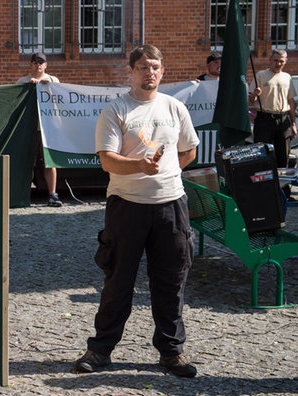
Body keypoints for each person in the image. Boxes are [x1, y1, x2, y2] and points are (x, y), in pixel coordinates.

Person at [73, 45, 200, 378]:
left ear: (163, 70)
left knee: (171, 282)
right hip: (127, 207)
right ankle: (100, 350)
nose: (150, 73)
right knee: (118, 281)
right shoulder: (117, 110)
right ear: (131, 71)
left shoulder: (175, 108)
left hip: (171, 207)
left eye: (155, 66)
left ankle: (171, 352)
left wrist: (167, 175)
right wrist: (139, 167)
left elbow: (189, 151)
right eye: (143, 67)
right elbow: (107, 160)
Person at [249, 48, 297, 198]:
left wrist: (293, 124)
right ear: (270, 60)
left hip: (283, 119)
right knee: (262, 155)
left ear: (285, 61)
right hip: (264, 119)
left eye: (281, 61)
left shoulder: (287, 77)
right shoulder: (261, 75)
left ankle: (284, 190)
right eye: (276, 60)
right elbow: (251, 100)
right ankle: (262, 190)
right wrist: (255, 95)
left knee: (283, 156)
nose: (278, 63)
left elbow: (291, 101)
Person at [16, 52, 62, 207]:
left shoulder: (53, 80)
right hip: (29, 127)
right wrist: (29, 86)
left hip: (48, 128)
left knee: (50, 161)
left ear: (46, 65)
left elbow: (58, 100)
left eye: (41, 62)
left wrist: (45, 85)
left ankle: (53, 194)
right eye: (35, 62)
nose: (38, 65)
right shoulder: (22, 81)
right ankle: (23, 195)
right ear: (30, 64)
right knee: (27, 162)